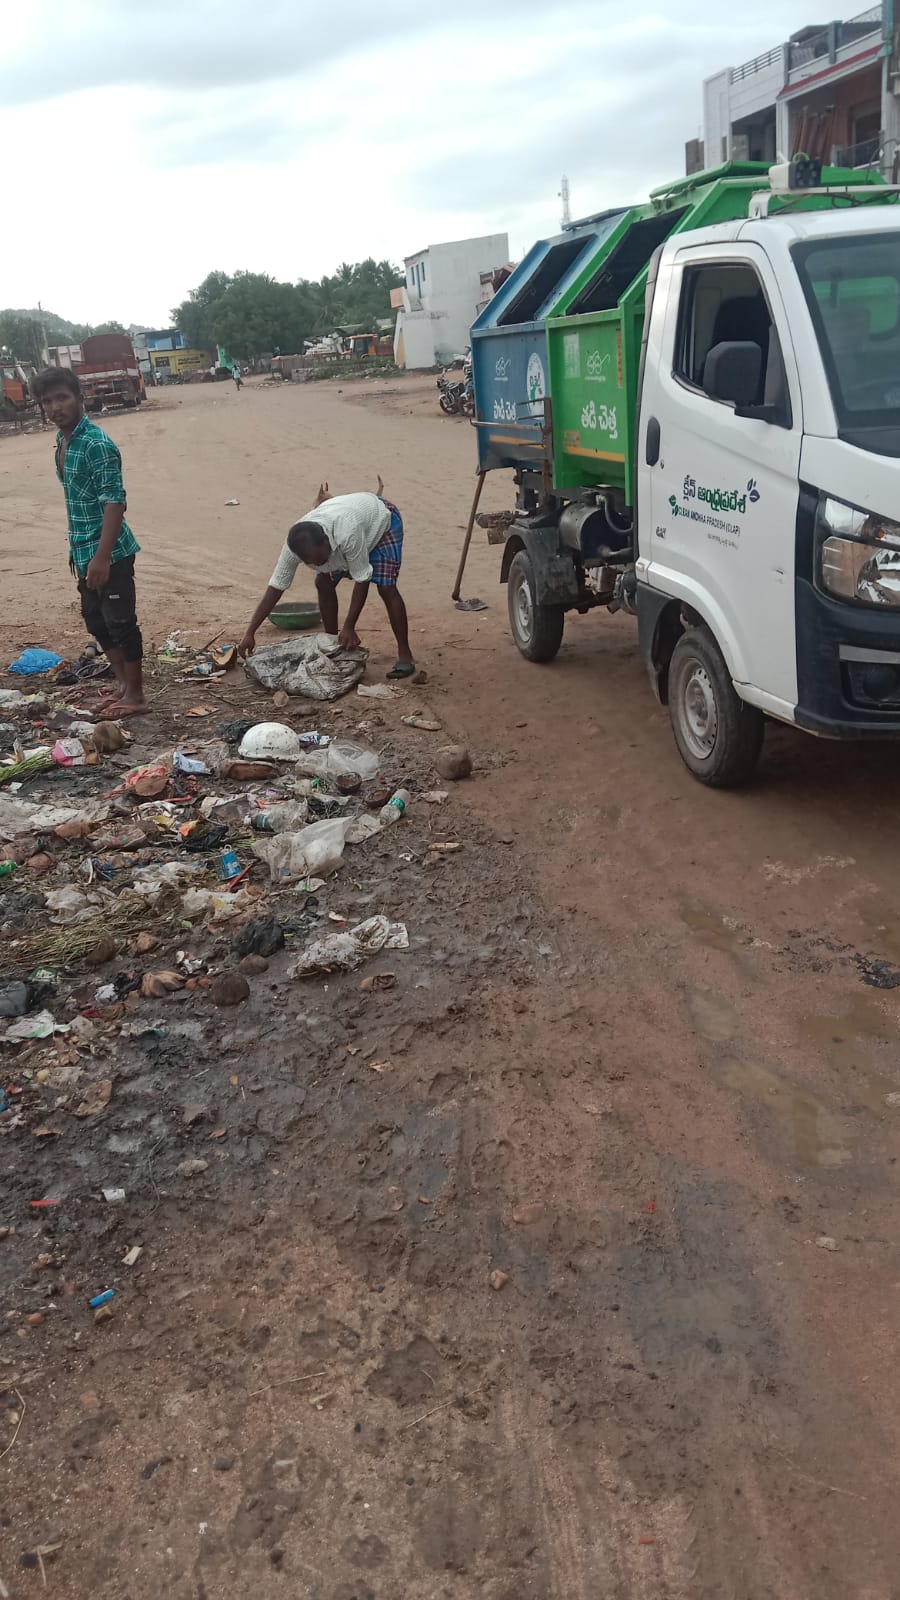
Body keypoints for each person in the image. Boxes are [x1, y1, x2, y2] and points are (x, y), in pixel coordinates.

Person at [30, 366, 146, 715]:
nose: (55, 407)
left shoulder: (96, 443)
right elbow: (78, 501)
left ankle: (137, 696)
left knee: (121, 621)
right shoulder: (63, 442)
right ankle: (124, 685)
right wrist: (79, 552)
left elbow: (115, 501)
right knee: (96, 622)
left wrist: (102, 556)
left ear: (80, 398)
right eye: (47, 401)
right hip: (82, 550)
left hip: (110, 552)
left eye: (62, 398)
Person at [239, 484, 414, 678]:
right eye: (312, 562)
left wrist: (349, 626)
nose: (319, 564)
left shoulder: (348, 531)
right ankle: (333, 644)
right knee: (323, 583)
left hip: (380, 521)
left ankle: (405, 655)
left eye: (321, 558)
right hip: (348, 522)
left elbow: (362, 579)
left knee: (386, 587)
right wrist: (250, 633)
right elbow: (275, 588)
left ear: (326, 539)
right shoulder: (293, 548)